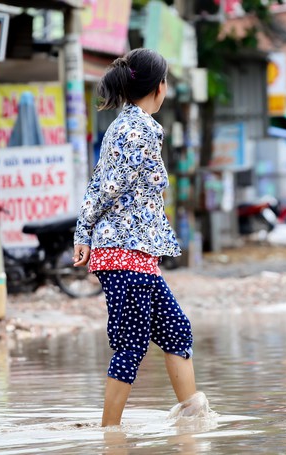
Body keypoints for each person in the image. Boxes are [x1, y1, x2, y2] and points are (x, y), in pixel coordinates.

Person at [72, 48, 199, 427]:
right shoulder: (138, 128)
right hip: (124, 255)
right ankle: (109, 434)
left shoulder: (127, 124)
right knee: (131, 345)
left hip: (135, 255)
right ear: (159, 87)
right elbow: (109, 185)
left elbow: (101, 182)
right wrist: (84, 230)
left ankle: (194, 421)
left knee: (178, 331)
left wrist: (84, 231)